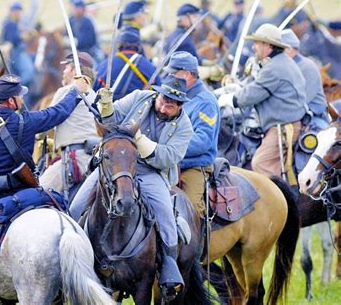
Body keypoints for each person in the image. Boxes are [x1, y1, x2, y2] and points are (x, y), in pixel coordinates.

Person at [0, 73, 88, 304]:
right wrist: (76, 90)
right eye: (19, 96)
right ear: (12, 101)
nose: (22, 99)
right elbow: (58, 112)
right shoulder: (27, 121)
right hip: (28, 197)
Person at [70, 76, 193, 297]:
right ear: (158, 94)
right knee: (75, 208)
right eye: (163, 100)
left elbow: (166, 158)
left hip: (150, 171)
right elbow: (110, 119)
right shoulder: (139, 98)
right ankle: (73, 262)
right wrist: (106, 104)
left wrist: (139, 139)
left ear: (180, 106)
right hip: (117, 163)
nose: (164, 107)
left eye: (170, 105)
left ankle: (168, 267)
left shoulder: (184, 127)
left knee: (165, 215)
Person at [218, 23, 307, 180]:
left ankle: (273, 203)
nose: (254, 48)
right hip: (284, 125)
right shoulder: (279, 62)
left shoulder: (274, 68)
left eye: (257, 43)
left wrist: (228, 99)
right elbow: (254, 84)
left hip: (282, 128)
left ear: (267, 45)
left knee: (261, 163)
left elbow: (251, 95)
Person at [165, 51, 220, 216]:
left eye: (173, 73)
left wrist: (168, 149)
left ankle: (201, 241)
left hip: (192, 166)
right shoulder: (173, 96)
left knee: (191, 210)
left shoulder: (206, 102)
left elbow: (202, 141)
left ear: (187, 74)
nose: (170, 77)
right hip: (166, 163)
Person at [39, 52, 99, 195]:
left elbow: (47, 122)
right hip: (94, 160)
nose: (64, 72)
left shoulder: (65, 91)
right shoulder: (96, 96)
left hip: (74, 161)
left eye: (66, 68)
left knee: (36, 193)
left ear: (73, 70)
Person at [93, 29, 161, 100]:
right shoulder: (149, 67)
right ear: (138, 46)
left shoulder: (105, 64)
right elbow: (157, 91)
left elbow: (95, 88)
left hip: (108, 109)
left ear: (119, 45)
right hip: (137, 109)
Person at [282, 29, 329, 129]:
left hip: (313, 117)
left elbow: (302, 100)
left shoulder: (307, 67)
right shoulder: (282, 66)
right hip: (289, 116)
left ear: (289, 49)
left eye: (279, 49)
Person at [1, 2, 34, 85]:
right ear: (12, 12)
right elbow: (10, 39)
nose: (18, 13)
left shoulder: (18, 22)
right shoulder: (8, 23)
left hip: (21, 51)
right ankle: (18, 87)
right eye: (16, 11)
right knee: (28, 71)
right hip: (14, 52)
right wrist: (22, 36)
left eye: (19, 11)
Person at [68, 0, 103, 64]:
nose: (74, 9)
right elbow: (65, 33)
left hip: (89, 53)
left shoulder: (88, 22)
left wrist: (76, 42)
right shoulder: (70, 20)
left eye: (77, 7)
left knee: (97, 65)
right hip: (74, 52)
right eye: (74, 7)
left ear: (82, 8)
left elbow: (88, 41)